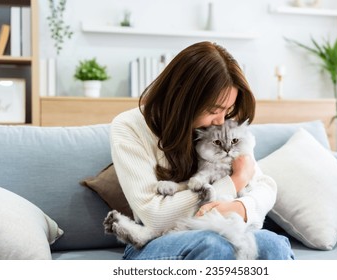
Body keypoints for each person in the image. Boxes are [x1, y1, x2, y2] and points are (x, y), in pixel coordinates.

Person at [110, 41, 294, 260]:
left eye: (227, 110)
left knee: (273, 245)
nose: (220, 121)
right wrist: (234, 182)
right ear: (183, 99)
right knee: (213, 245)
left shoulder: (224, 128)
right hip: (156, 240)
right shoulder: (128, 127)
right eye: (214, 110)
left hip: (222, 229)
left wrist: (240, 207)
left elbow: (265, 187)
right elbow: (155, 216)